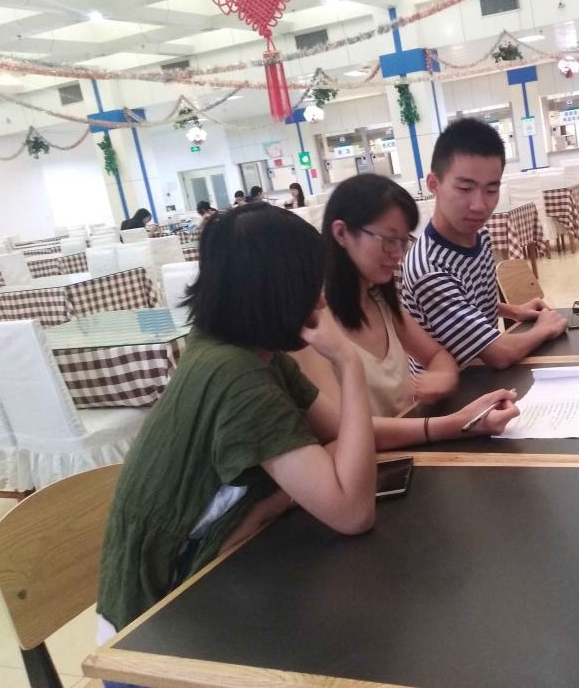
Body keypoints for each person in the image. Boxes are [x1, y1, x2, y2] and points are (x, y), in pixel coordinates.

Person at [97, 202, 376, 662]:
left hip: (192, 591)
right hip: (152, 635)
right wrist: (348, 363)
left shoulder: (239, 350)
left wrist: (441, 426)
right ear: (278, 291)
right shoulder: (238, 378)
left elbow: (343, 434)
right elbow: (352, 512)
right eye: (312, 283)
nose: (322, 300)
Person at [294, 173, 519, 448]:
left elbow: (436, 355)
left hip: (413, 450)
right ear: (341, 233)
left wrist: (441, 376)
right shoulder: (313, 324)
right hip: (375, 464)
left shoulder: (379, 300)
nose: (399, 255)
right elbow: (342, 429)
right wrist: (456, 424)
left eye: (403, 242)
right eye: (389, 240)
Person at [402, 118, 567, 369]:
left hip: (483, 374)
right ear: (434, 184)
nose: (479, 206)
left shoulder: (479, 235)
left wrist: (513, 311)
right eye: (465, 188)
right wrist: (544, 329)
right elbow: (500, 354)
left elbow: (464, 302)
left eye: (491, 190)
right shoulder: (429, 269)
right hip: (456, 387)